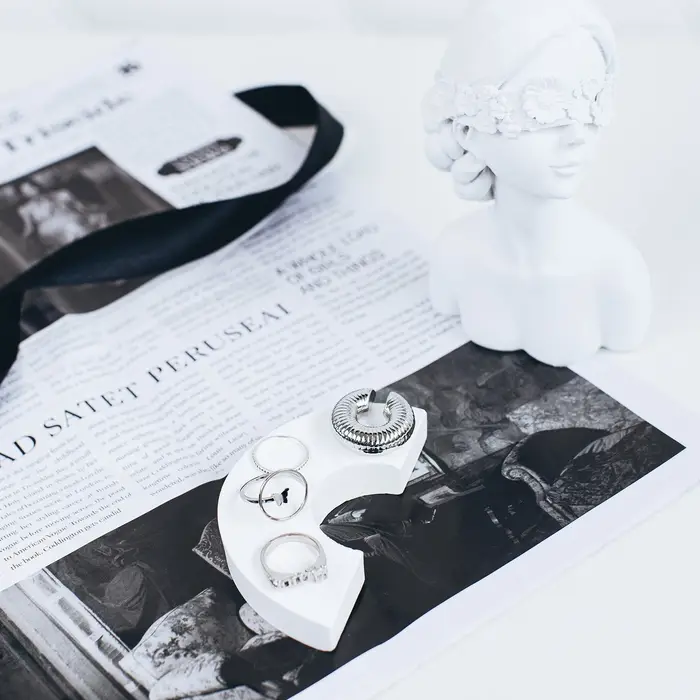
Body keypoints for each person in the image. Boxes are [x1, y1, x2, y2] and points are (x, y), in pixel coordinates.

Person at [17, 179, 109, 250]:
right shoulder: (25, 209)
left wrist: (93, 209)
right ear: (23, 194)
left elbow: (80, 207)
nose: (31, 191)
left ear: (36, 186)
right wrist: (23, 240)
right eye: (26, 191)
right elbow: (29, 228)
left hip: (69, 219)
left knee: (74, 228)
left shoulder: (59, 194)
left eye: (31, 187)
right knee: (73, 227)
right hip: (49, 230)